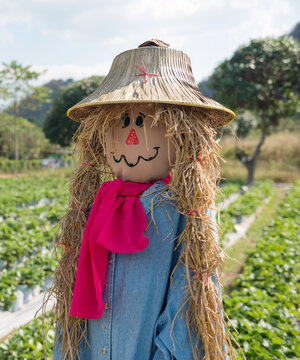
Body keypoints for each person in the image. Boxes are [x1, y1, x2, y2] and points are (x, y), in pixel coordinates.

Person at [43, 39, 236, 360]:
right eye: (120, 121)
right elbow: (74, 291)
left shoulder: (184, 209)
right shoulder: (95, 202)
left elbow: (186, 304)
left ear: (184, 133)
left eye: (143, 121)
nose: (130, 136)